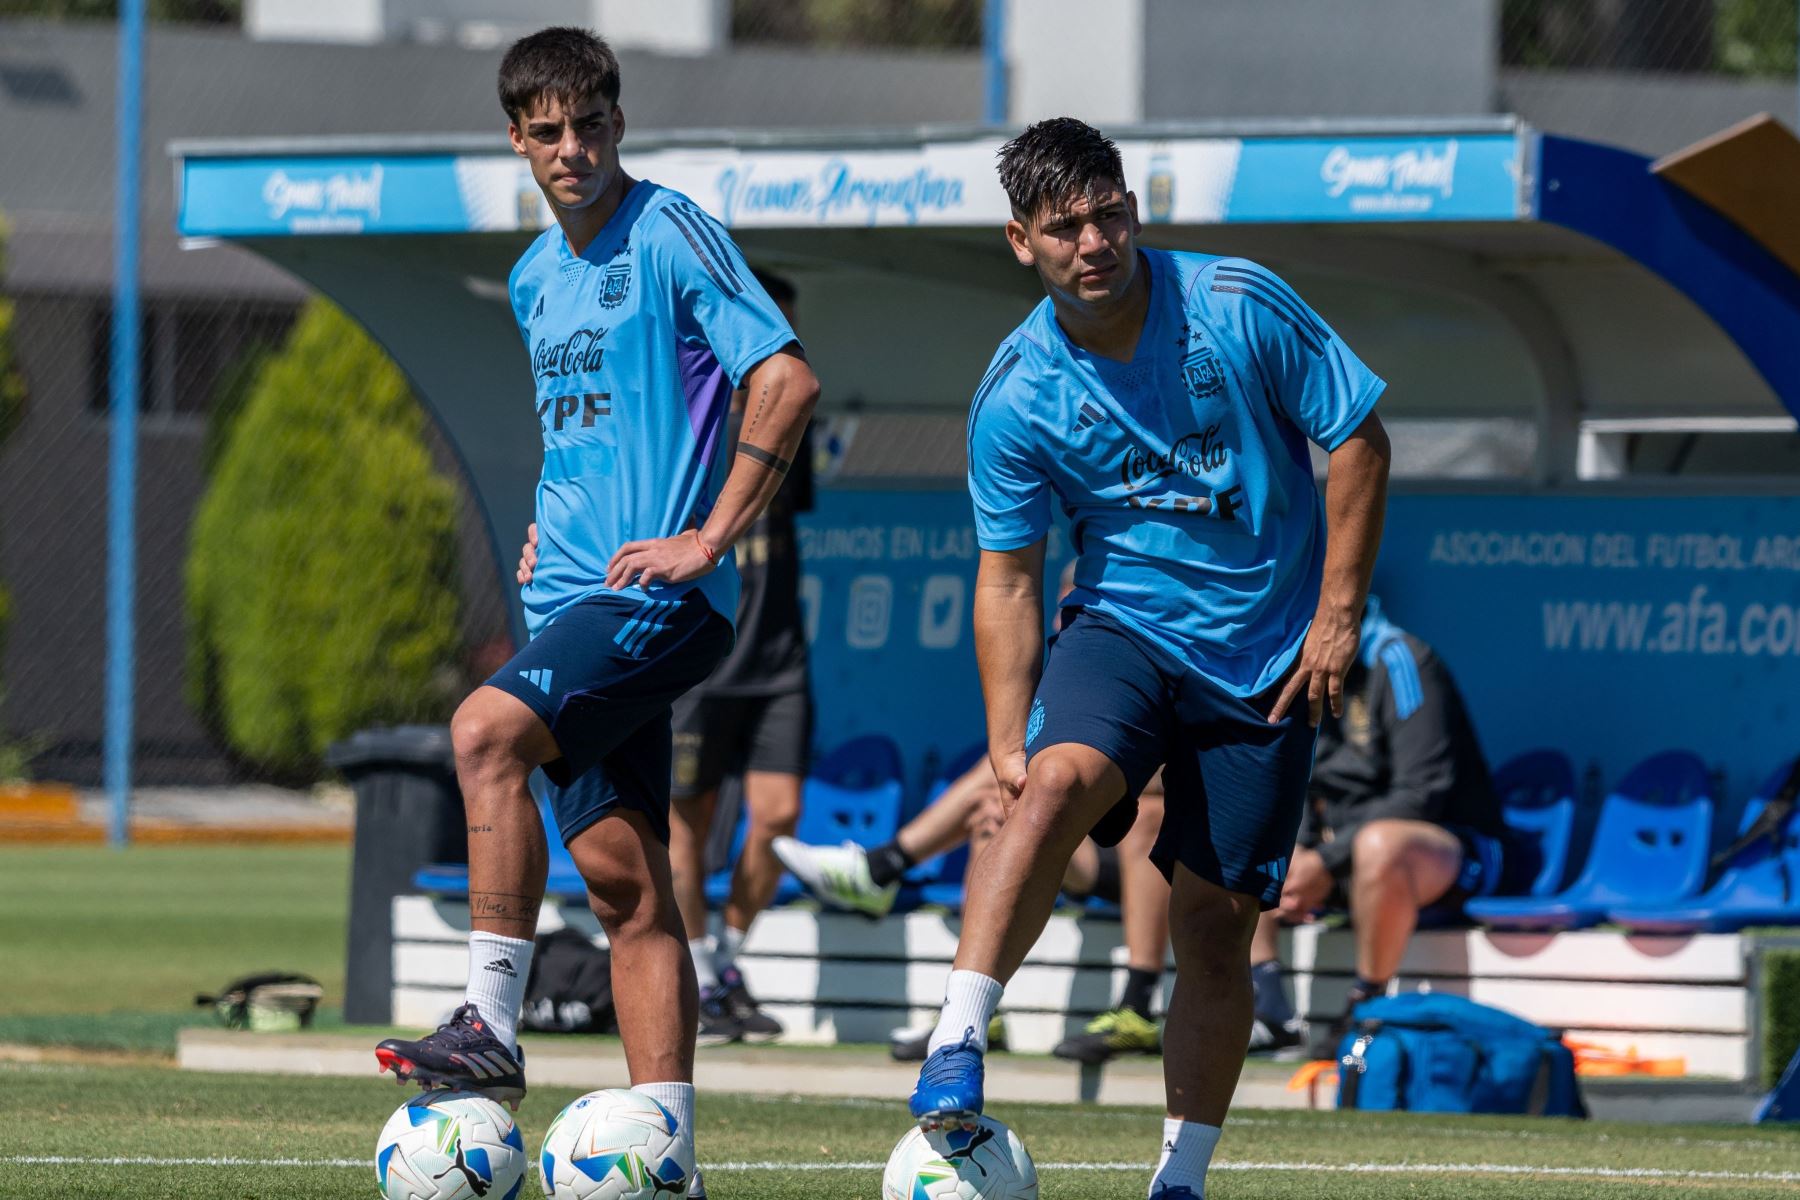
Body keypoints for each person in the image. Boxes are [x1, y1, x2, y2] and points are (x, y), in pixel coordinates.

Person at [907, 118, 1389, 1200]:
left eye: (1108, 214)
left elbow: (1357, 436)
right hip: (1122, 629)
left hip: (1266, 659)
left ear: (1133, 210)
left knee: (1215, 931)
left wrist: (1338, 614)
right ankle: (956, 1040)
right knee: (1053, 781)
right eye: (1064, 226)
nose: (1094, 241)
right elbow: (1011, 578)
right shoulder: (1018, 388)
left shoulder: (1235, 303)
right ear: (1020, 240)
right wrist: (1002, 735)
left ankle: (1180, 1179)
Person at [373, 28, 820, 1198]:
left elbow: (785, 377)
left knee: (480, 735)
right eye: (548, 130)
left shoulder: (669, 232)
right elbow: (585, 437)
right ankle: (667, 1151)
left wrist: (708, 538)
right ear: (516, 139)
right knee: (629, 887)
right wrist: (542, 531)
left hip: (655, 601)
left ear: (620, 124)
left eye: (593, 124)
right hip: (566, 601)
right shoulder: (531, 278)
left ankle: (490, 1019)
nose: (574, 148)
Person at [519, 272, 815, 1046]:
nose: (768, 336)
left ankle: (726, 956)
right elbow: (591, 468)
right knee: (683, 824)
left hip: (775, 651)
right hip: (689, 640)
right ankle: (702, 967)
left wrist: (713, 540)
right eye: (758, 320)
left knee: (777, 816)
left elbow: (777, 504)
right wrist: (552, 536)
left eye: (781, 323)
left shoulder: (780, 410)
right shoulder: (686, 409)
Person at [1246, 596, 1534, 1060]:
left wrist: (1324, 861)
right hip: (1344, 855)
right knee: (1246, 826)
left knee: (1381, 843)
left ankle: (1366, 1012)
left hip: (1454, 849)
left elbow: (1423, 791)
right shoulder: (1290, 663)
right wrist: (1299, 853)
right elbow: (1291, 775)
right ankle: (1269, 1007)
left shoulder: (1400, 658)